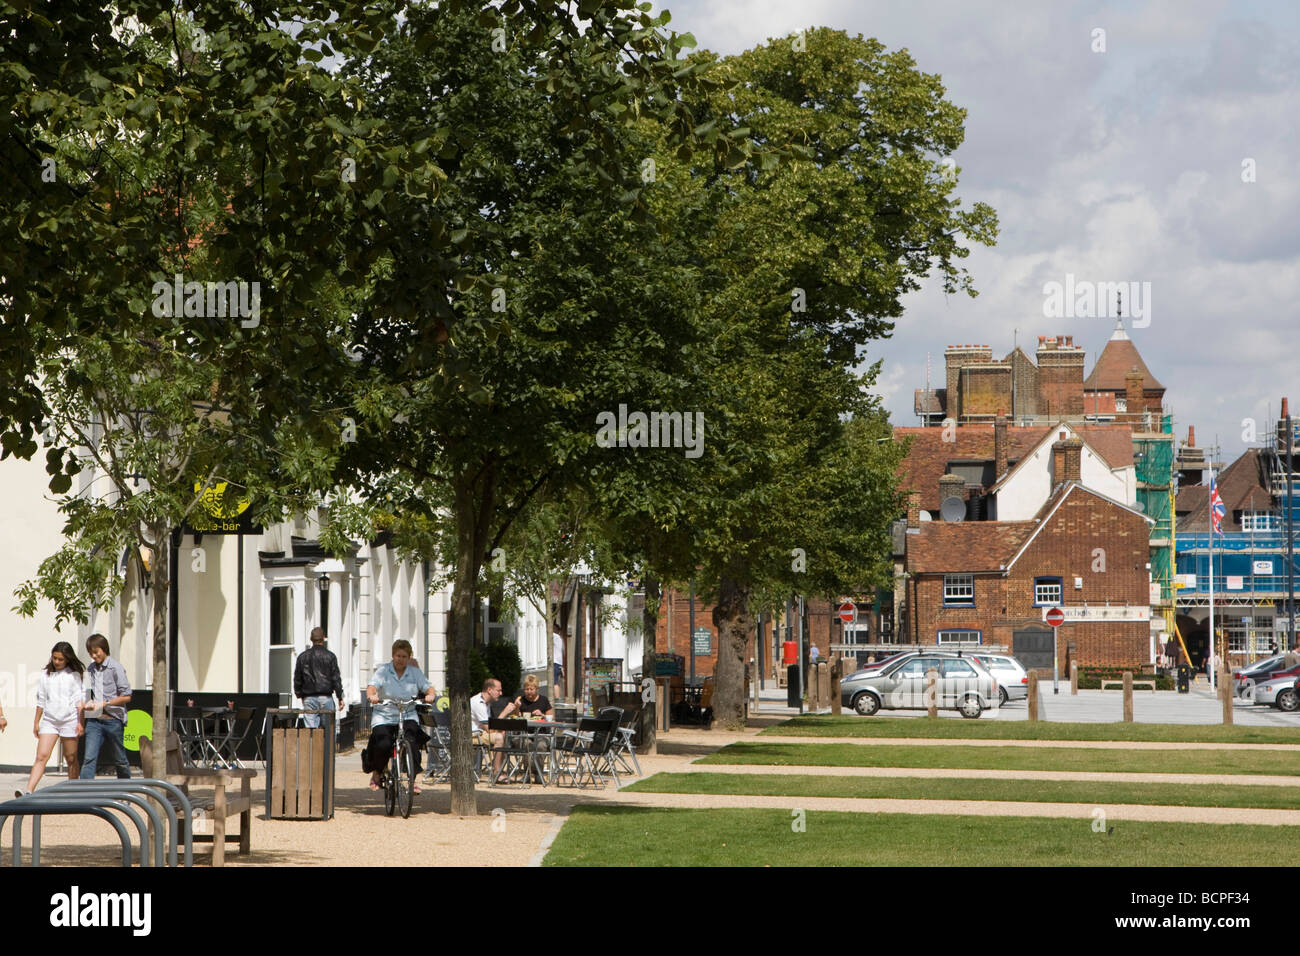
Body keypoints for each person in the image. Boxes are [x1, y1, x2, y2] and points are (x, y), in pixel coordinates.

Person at [364, 640, 436, 793]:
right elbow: (372, 687)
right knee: (382, 742)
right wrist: (372, 695)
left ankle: (412, 779)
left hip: (407, 713)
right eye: (398, 656)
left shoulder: (414, 673)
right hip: (385, 715)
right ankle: (377, 772)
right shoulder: (383, 671)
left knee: (413, 742)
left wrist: (430, 695)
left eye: (404, 656)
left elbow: (428, 687)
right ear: (393, 655)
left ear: (409, 657)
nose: (400, 659)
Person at [19, 642, 86, 796]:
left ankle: (73, 791)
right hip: (50, 720)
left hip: (69, 719)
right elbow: (41, 699)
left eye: (60, 659)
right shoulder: (46, 674)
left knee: (71, 758)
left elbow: (79, 700)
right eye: (54, 658)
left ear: (67, 659)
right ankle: (28, 790)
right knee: (41, 756)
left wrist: (80, 722)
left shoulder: (74, 675)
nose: (56, 662)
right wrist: (36, 722)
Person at [80, 634, 132, 780]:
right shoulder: (90, 669)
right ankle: (84, 795)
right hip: (94, 720)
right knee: (89, 759)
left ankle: (125, 792)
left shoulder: (116, 668)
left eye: (96, 652)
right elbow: (88, 692)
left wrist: (105, 703)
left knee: (120, 760)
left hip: (113, 720)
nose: (94, 656)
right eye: (91, 653)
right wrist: (88, 702)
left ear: (104, 649)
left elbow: (127, 696)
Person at [294, 626, 345, 729]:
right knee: (329, 732)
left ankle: (313, 746)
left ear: (311, 639)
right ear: (323, 638)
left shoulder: (302, 657)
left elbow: (297, 679)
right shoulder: (330, 656)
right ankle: (329, 746)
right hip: (326, 697)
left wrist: (300, 695)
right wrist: (340, 697)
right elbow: (336, 678)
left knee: (311, 732)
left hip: (309, 697)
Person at [470, 678, 507, 782]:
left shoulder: (486, 703)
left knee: (503, 734)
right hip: (473, 735)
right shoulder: (478, 703)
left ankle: (500, 770)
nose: (501, 693)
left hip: (480, 733)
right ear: (490, 690)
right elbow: (489, 729)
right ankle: (496, 772)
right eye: (498, 690)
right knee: (499, 737)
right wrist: (504, 712)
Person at [552, 628, 565, 701]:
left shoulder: (555, 637)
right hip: (559, 663)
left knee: (555, 682)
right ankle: (558, 698)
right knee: (556, 682)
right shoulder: (560, 639)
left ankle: (557, 699)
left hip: (555, 662)